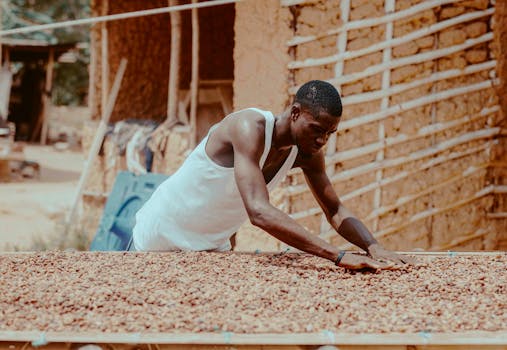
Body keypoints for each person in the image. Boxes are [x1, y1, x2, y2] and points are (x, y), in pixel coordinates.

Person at [132, 80, 415, 270]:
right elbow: (259, 212)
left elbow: (335, 209)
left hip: (209, 251)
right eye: (317, 129)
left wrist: (373, 246)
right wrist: (336, 255)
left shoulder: (307, 154)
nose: (322, 141)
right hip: (160, 238)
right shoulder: (248, 128)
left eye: (330, 134)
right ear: (294, 113)